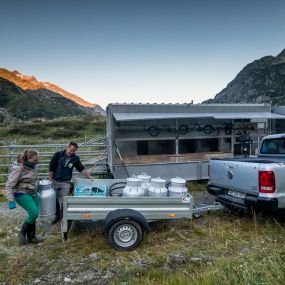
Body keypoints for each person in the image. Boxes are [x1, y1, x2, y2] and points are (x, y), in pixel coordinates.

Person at [48, 141, 93, 223]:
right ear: (67, 147)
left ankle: (63, 217)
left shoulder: (75, 158)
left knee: (65, 200)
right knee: (55, 199)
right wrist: (50, 180)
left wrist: (89, 176)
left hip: (66, 182)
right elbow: (51, 167)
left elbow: (81, 168)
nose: (72, 152)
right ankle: (57, 215)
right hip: (55, 180)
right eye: (71, 150)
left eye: (74, 151)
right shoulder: (58, 155)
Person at [5, 149, 42, 245]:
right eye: (35, 160)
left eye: (37, 160)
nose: (37, 162)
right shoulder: (18, 169)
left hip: (32, 192)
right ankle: (22, 233)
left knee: (34, 214)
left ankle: (31, 237)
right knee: (34, 212)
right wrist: (11, 200)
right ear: (28, 158)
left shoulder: (32, 166)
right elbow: (9, 185)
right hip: (21, 193)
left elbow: (33, 178)